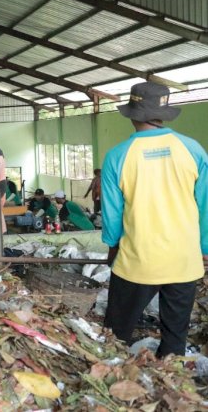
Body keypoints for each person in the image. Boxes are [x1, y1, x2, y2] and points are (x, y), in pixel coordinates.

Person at [102, 82, 208, 357]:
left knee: (115, 336)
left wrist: (112, 249)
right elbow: (206, 205)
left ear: (132, 114)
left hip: (137, 261)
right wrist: (204, 248)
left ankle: (116, 380)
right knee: (175, 340)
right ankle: (172, 386)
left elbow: (112, 217)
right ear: (164, 113)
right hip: (183, 261)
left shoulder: (117, 157)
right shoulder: (192, 150)